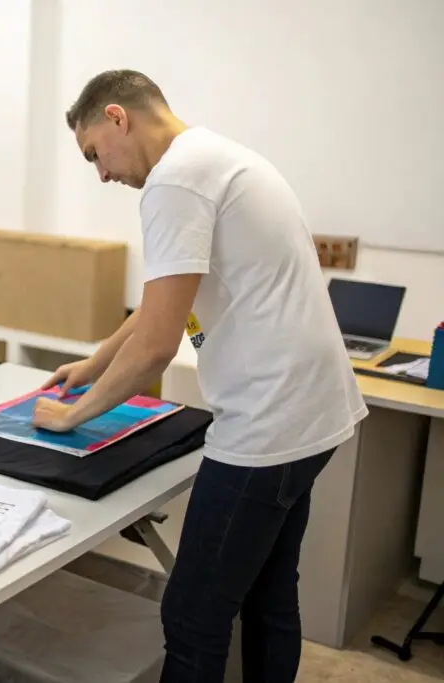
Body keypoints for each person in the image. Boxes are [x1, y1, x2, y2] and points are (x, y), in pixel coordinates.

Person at [32, 70, 367, 682]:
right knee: (268, 592)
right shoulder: (214, 157)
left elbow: (159, 345)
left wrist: (73, 414)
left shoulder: (176, 183)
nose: (102, 174)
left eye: (94, 155)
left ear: (116, 118)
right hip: (315, 411)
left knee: (192, 616)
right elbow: (164, 306)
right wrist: (93, 364)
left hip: (267, 428)